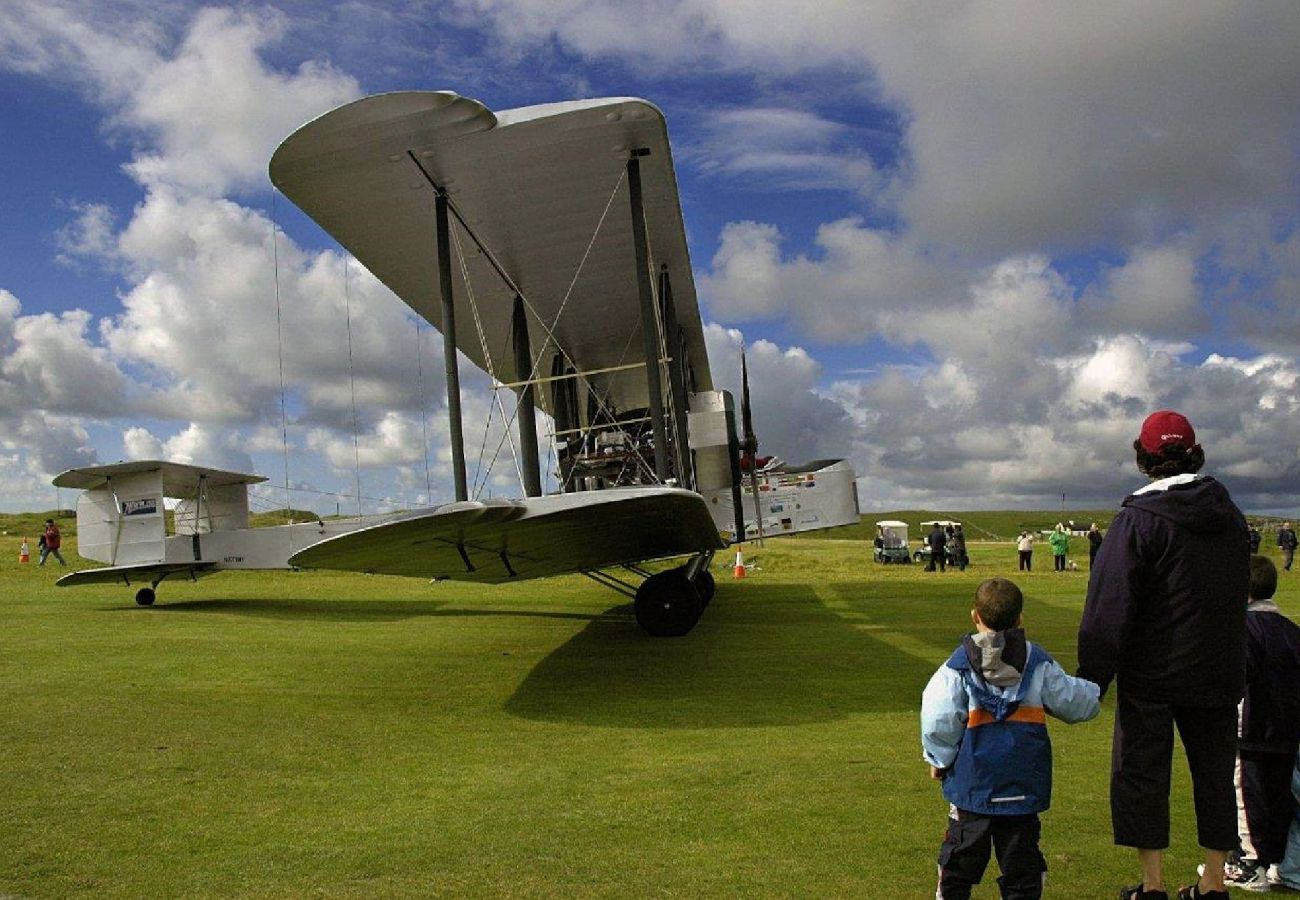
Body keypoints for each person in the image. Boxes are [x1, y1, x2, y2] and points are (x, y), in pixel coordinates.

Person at [1077, 409, 1250, 900]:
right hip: (1217, 667)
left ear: (1144, 457)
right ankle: (1214, 881)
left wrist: (1093, 677)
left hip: (1152, 671)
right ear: (1194, 452)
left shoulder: (1137, 521)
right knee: (1215, 774)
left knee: (1141, 772)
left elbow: (1109, 604)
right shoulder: (1231, 517)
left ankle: (1152, 886)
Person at [922, 577, 1101, 899]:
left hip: (972, 788)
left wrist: (938, 759)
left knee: (958, 867)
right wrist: (1096, 688)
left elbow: (939, 718)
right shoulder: (1037, 662)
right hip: (1022, 786)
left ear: (975, 616)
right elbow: (1074, 703)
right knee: (1022, 869)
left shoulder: (957, 667)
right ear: (1020, 618)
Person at [1212, 555, 1300, 891]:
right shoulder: (1292, 631)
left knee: (1246, 794)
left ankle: (1250, 863)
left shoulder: (1243, 631)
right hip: (1287, 730)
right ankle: (1276, 861)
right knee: (1277, 796)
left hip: (1251, 728)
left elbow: (1236, 681)